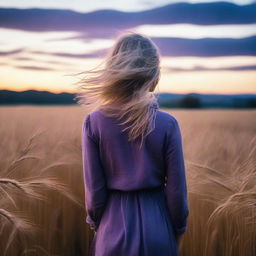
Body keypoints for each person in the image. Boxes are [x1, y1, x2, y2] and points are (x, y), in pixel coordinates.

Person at [77, 31, 189, 256]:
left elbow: (95, 193)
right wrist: (176, 228)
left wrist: (99, 225)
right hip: (159, 227)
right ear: (153, 74)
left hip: (112, 227)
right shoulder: (167, 124)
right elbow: (177, 193)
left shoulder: (94, 122)